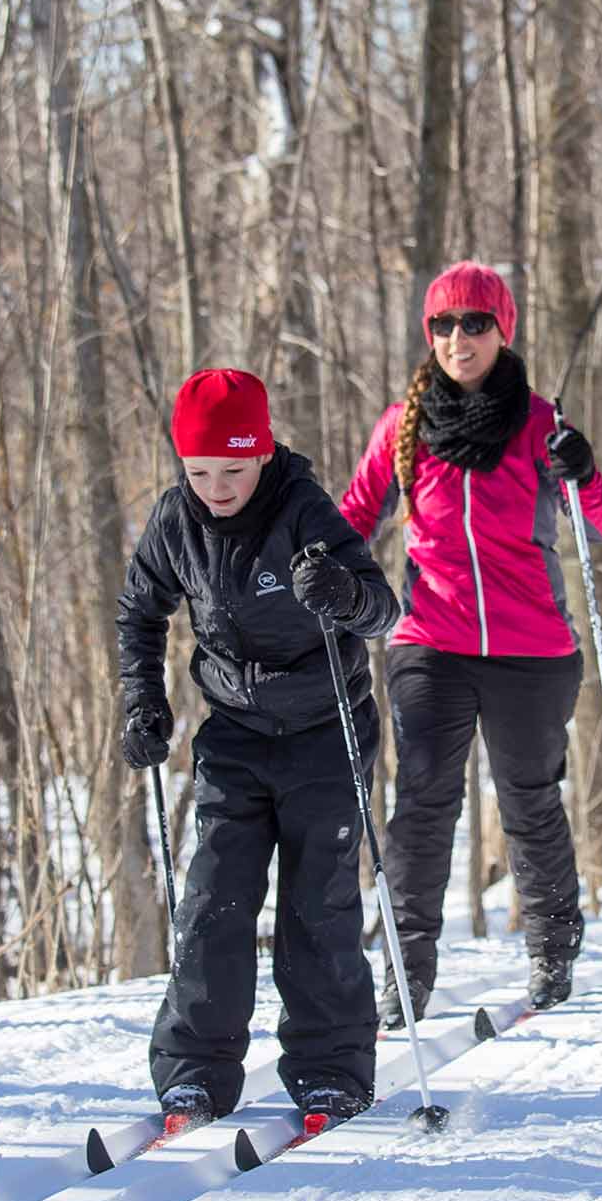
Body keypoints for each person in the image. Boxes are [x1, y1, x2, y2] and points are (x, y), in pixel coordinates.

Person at [340, 262, 602, 1021]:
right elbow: (352, 516)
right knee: (425, 799)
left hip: (531, 647)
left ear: (504, 329)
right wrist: (321, 566)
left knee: (529, 800)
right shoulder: (401, 428)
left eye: (474, 323)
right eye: (442, 325)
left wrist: (582, 468)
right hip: (430, 637)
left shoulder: (539, 423)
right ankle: (407, 970)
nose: (457, 339)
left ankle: (554, 947)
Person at [118, 368, 400, 1128]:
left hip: (324, 731)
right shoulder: (177, 519)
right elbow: (139, 612)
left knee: (319, 905)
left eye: (232, 470)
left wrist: (342, 593)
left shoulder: (303, 508)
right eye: (199, 470)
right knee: (214, 900)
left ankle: (332, 1069)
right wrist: (142, 699)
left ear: (264, 452)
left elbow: (381, 606)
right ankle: (195, 1073)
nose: (215, 487)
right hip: (236, 735)